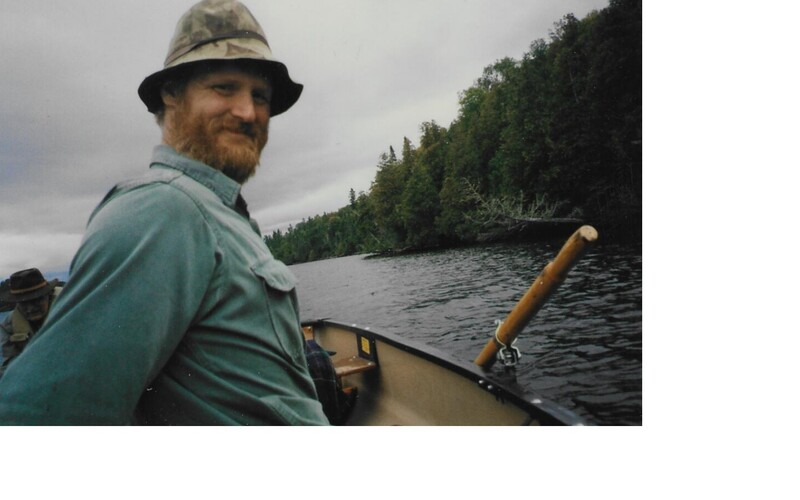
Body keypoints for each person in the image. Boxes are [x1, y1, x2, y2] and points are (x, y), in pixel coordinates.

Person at [0, 0, 328, 425]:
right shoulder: (162, 211)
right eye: (225, 88)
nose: (249, 112)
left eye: (259, 96)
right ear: (170, 94)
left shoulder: (216, 213)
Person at [0, 269, 63, 377]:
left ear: (48, 294)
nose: (30, 309)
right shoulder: (8, 326)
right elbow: (10, 365)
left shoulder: (70, 306)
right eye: (23, 303)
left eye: (36, 300)